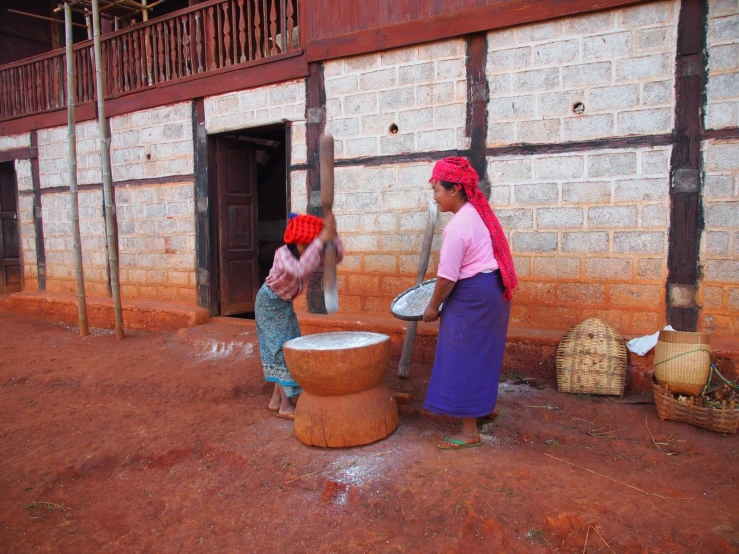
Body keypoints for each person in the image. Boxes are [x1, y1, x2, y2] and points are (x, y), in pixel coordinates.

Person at [422, 157, 518, 450]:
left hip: (473, 297)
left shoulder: (457, 228)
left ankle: (468, 432)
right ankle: (484, 407)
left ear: (454, 190)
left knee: (462, 357)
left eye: (437, 190)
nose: (435, 197)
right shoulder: (477, 213)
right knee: (483, 354)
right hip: (492, 292)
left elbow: (447, 279)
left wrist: (432, 307)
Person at [256, 213, 343, 420]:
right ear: (298, 242)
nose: (312, 250)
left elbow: (335, 258)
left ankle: (276, 400)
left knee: (287, 347)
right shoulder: (282, 255)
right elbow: (300, 270)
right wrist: (321, 239)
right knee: (282, 351)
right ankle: (286, 406)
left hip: (283, 305)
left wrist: (333, 236)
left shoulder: (308, 253)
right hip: (268, 303)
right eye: (309, 245)